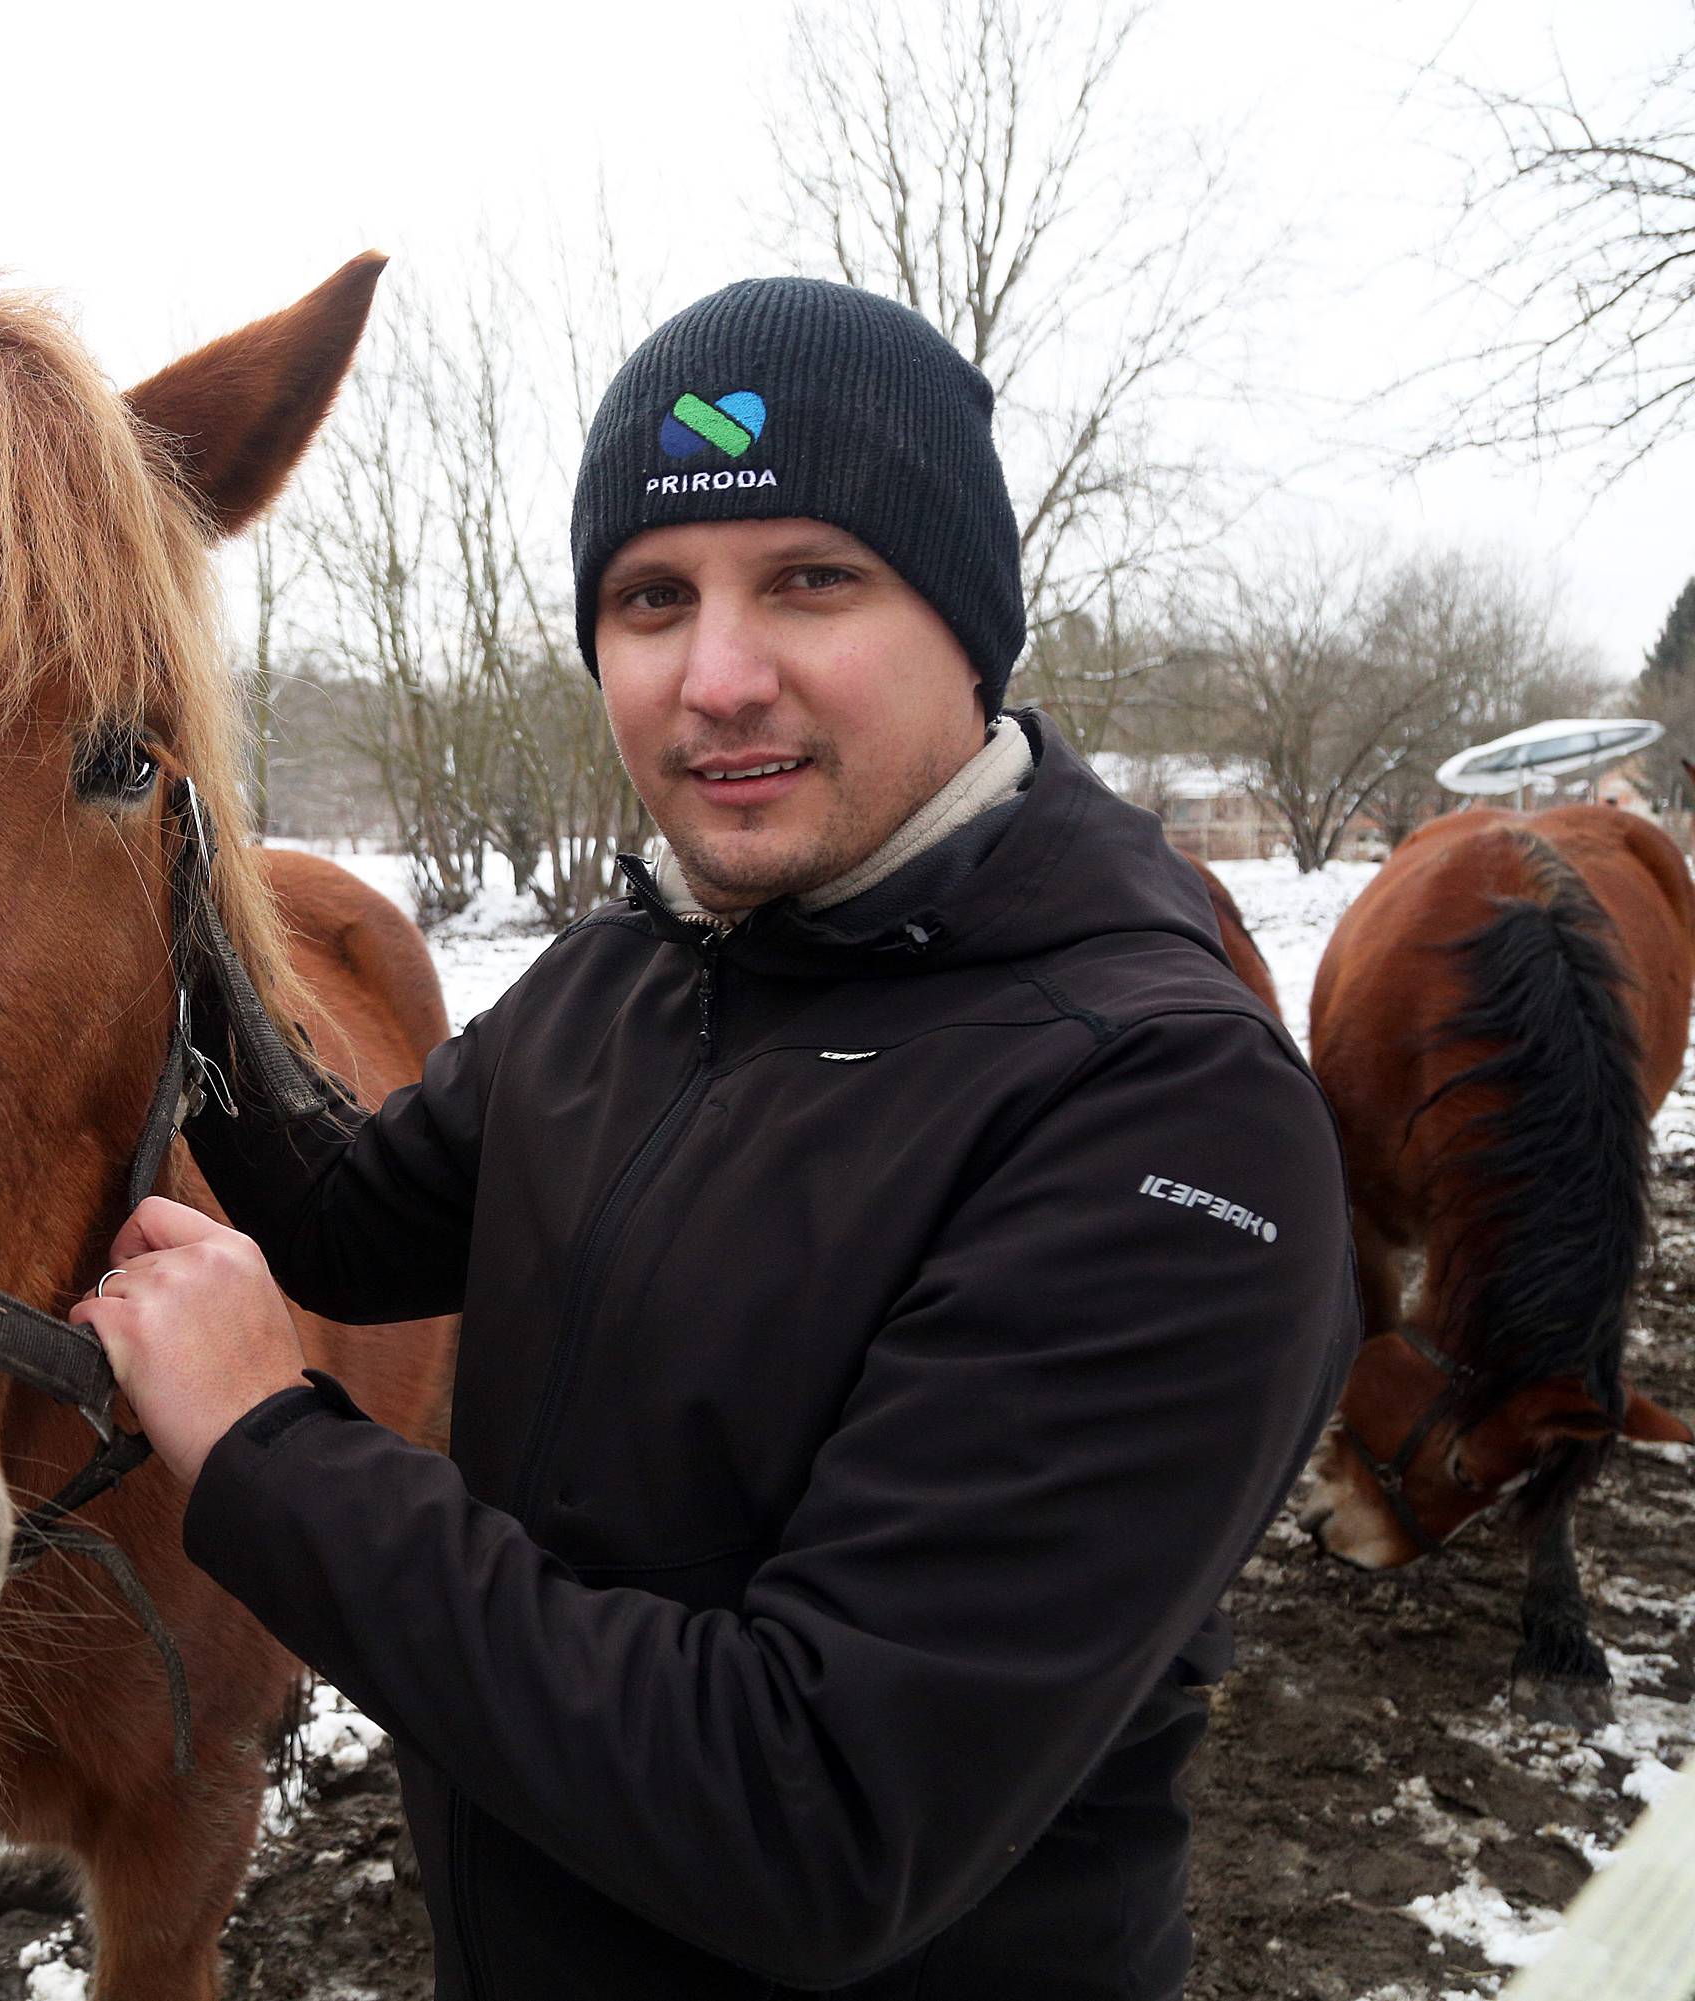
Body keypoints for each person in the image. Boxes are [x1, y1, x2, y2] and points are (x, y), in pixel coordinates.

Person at [76, 277, 1360, 2000]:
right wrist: (174, 924)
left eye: (812, 579)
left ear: (972, 624)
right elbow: (351, 1224)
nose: (719, 677)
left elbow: (814, 1815)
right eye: (653, 598)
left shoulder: (1162, 1117)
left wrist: (264, 1450)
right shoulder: (641, 969)